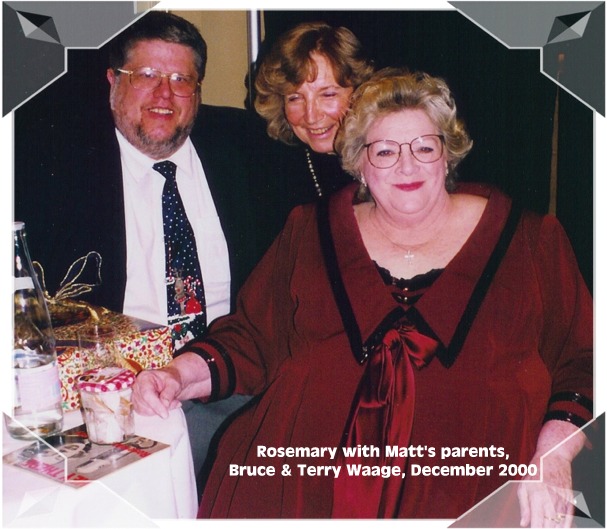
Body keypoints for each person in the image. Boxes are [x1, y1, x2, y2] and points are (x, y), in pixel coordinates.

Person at [127, 68, 593, 520]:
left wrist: (554, 455)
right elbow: (252, 336)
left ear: (447, 156)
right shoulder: (309, 230)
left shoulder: (529, 240)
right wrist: (177, 375)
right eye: (385, 151)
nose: (407, 165)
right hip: (305, 486)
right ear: (360, 165)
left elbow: (586, 360)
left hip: (479, 483)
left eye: (424, 147)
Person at [13, 11, 265, 494]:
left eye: (181, 80)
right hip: (117, 390)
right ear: (113, 82)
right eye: (146, 75)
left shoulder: (246, 146)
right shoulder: (51, 165)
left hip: (231, 379)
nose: (164, 94)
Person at [250, 21, 374, 234]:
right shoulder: (273, 180)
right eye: (295, 98)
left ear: (360, 93)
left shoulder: (392, 160)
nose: (311, 116)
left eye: (328, 94)